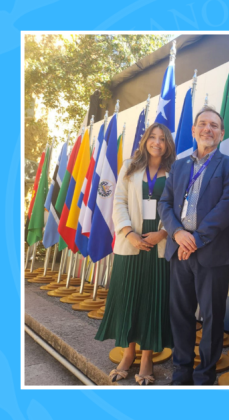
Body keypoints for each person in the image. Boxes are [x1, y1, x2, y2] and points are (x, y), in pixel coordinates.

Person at [158, 106, 229, 385]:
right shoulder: (179, 166)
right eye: (203, 124)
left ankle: (205, 373)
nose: (208, 129)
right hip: (178, 251)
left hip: (212, 254)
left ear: (221, 133)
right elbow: (165, 204)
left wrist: (195, 239)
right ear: (194, 131)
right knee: (180, 315)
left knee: (212, 317)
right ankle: (182, 370)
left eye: (214, 126)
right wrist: (178, 234)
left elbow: (227, 206)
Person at [95, 123, 176, 386]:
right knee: (128, 299)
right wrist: (129, 233)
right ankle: (128, 354)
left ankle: (146, 358)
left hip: (159, 246)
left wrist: (163, 233)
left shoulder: (175, 171)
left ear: (168, 144)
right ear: (145, 140)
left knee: (153, 302)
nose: (157, 142)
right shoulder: (129, 166)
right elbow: (117, 201)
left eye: (162, 139)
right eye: (152, 137)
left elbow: (179, 207)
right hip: (130, 244)